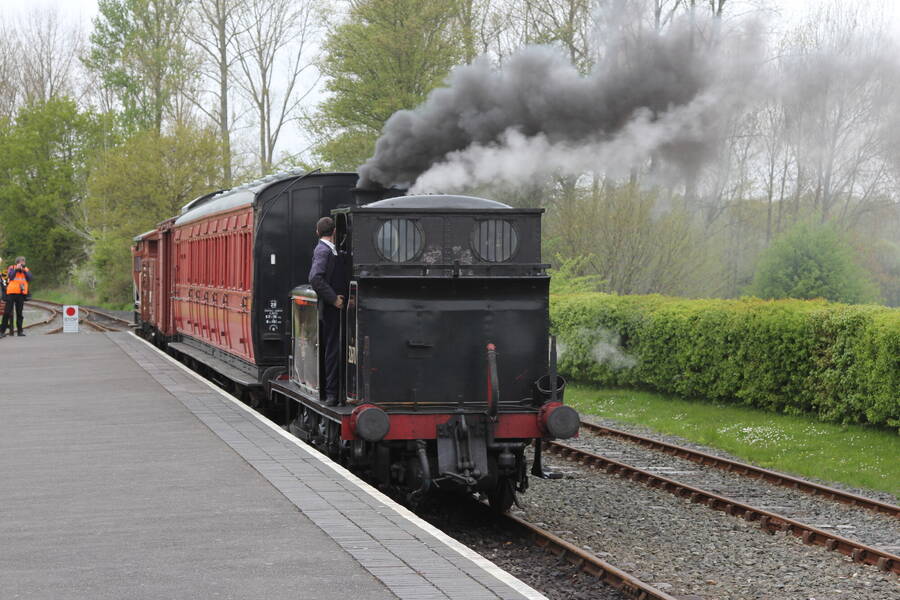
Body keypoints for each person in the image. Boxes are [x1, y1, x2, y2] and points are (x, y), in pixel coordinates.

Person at [308, 217, 347, 406]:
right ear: (334, 232)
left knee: (335, 347)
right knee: (332, 348)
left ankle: (335, 392)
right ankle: (332, 393)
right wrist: (333, 299)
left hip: (335, 306)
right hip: (331, 308)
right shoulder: (322, 251)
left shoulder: (329, 250)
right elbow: (315, 279)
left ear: (318, 232)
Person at [0, 256, 31, 338]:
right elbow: (10, 277)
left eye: (23, 262)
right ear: (17, 263)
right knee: (7, 312)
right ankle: (2, 331)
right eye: (21, 262)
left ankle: (20, 331)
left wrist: (24, 270)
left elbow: (29, 278)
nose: (23, 264)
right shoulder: (11, 268)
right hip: (11, 293)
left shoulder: (26, 269)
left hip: (21, 294)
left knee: (19, 313)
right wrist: (16, 269)